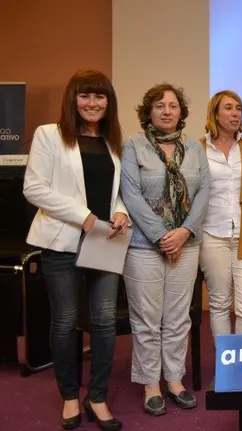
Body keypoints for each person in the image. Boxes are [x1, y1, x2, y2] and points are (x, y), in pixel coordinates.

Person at [23, 70, 125, 430]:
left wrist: (120, 212)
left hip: (104, 242)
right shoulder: (49, 135)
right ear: (73, 99)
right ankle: (69, 395)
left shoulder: (113, 142)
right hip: (62, 240)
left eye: (100, 97)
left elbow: (118, 192)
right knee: (65, 322)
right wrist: (83, 216)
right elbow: (34, 188)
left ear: (108, 102)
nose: (93, 103)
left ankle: (96, 397)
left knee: (104, 323)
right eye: (86, 96)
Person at [121, 83, 210, 415]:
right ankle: (150, 384)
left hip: (187, 245)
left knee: (177, 318)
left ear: (181, 112)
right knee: (146, 319)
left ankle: (174, 379)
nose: (167, 111)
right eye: (159, 105)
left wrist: (184, 232)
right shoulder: (133, 145)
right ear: (149, 112)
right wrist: (162, 235)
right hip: (144, 246)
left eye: (173, 105)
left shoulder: (194, 148)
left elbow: (204, 192)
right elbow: (131, 196)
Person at [199, 90, 242, 340]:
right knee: (219, 303)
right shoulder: (198, 148)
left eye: (239, 108)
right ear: (214, 113)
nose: (235, 113)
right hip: (211, 234)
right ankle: (225, 367)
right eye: (228, 108)